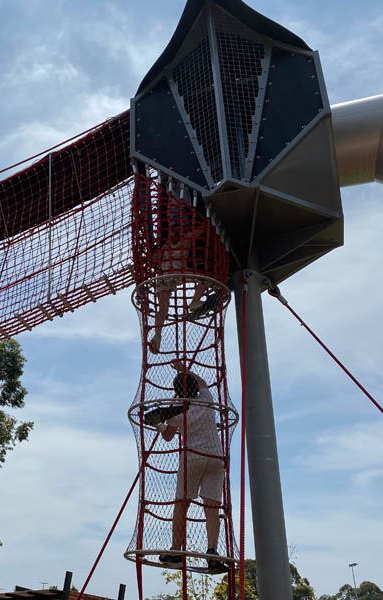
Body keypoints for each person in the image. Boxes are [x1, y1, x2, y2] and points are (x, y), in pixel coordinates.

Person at [149, 357, 227, 574]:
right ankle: (212, 551)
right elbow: (203, 383)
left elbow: (167, 437)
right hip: (215, 457)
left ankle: (175, 551)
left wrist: (159, 424)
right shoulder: (206, 397)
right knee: (212, 506)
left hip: (192, 457)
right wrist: (185, 368)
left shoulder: (177, 409)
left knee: (182, 503)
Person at [148, 200, 212, 354]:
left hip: (165, 277)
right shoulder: (185, 239)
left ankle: (157, 335)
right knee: (205, 278)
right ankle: (195, 300)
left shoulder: (167, 244)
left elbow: (155, 258)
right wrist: (209, 218)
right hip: (175, 275)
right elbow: (202, 229)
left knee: (163, 309)